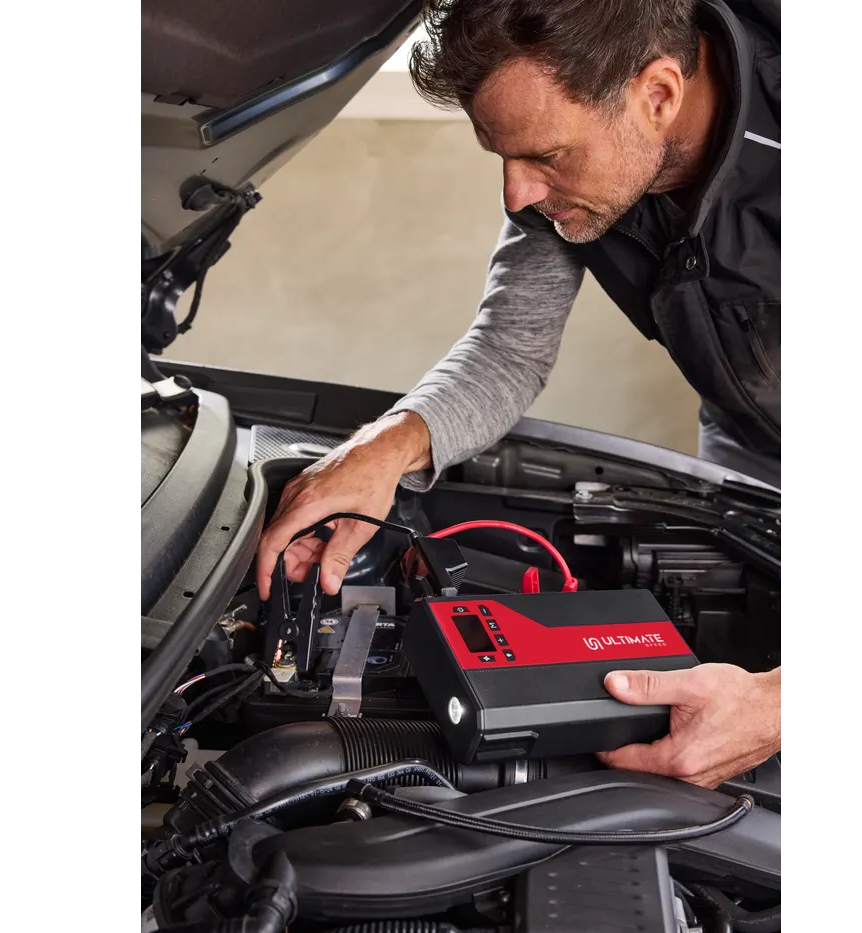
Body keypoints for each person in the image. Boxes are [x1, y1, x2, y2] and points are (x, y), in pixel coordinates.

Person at [257, 0, 781, 788]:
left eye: (545, 156)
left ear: (660, 94)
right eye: (502, 156)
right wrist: (383, 448)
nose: (516, 194)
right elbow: (509, 348)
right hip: (749, 443)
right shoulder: (581, 161)